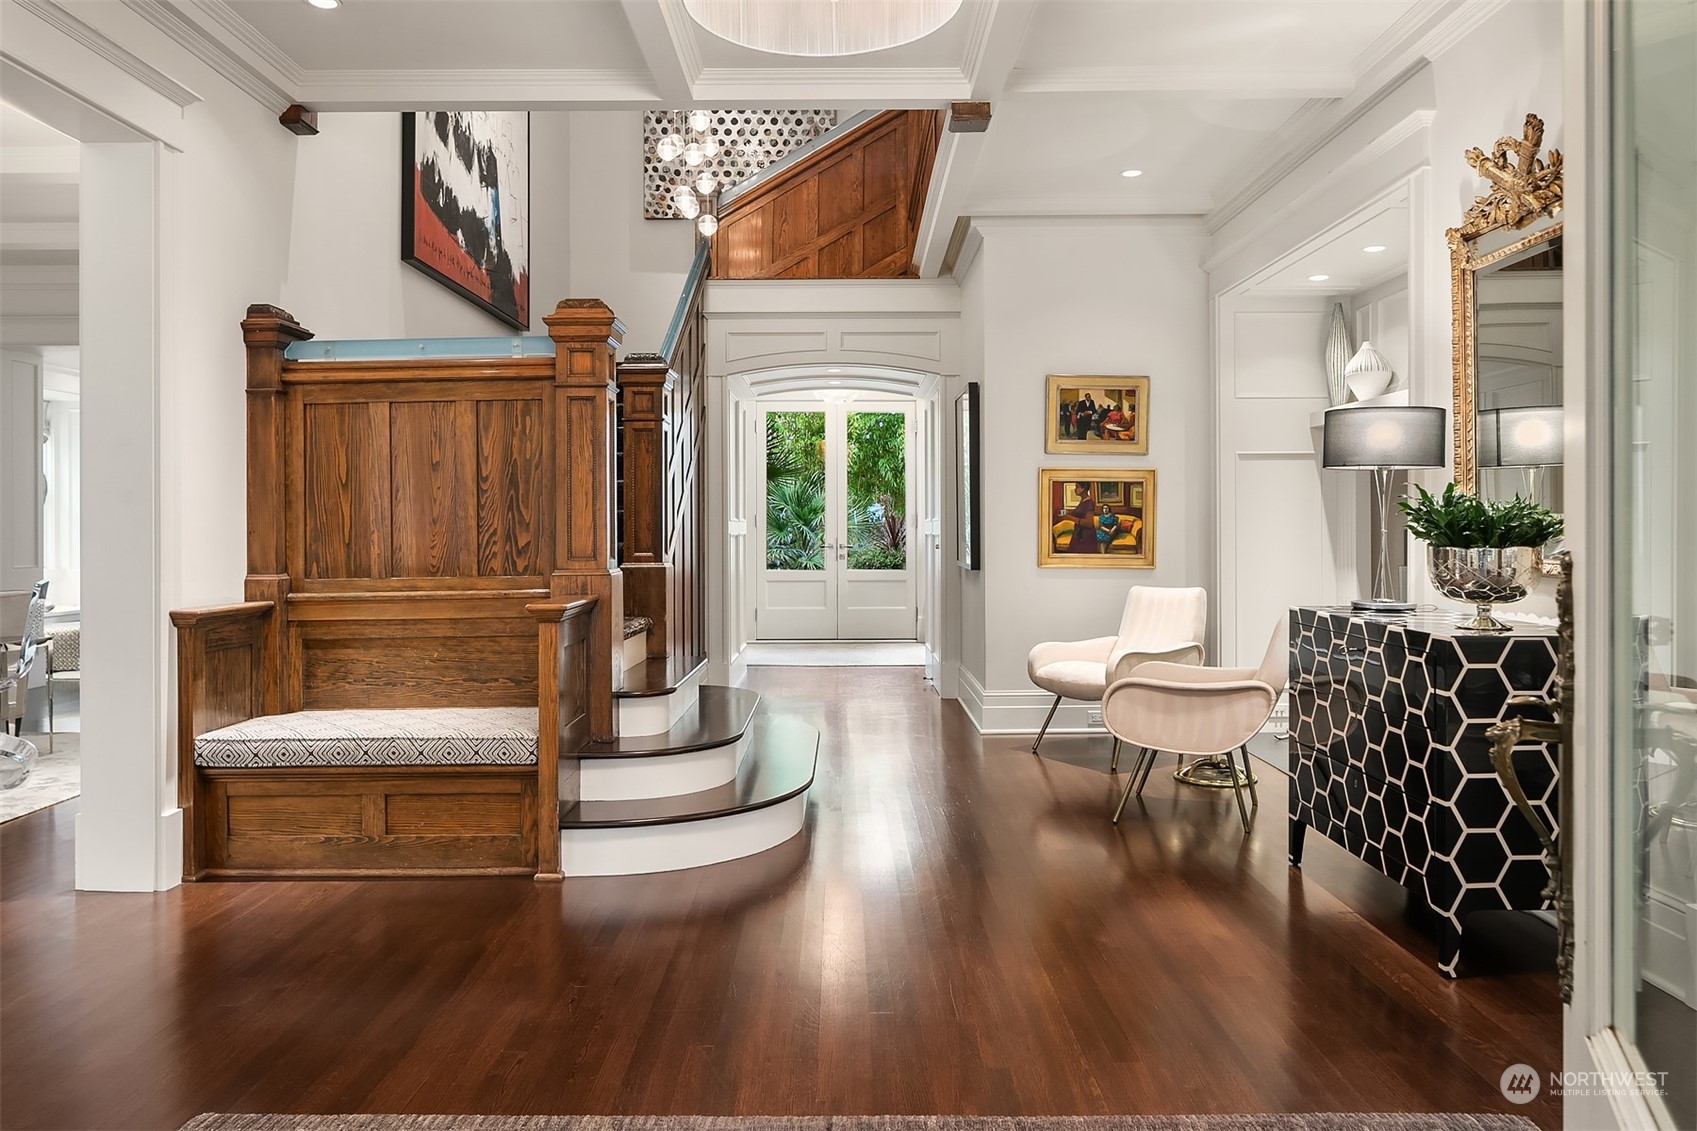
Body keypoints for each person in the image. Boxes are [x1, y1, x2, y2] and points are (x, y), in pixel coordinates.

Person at [1064, 483, 1097, 553]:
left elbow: (1089, 523)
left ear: (1083, 488)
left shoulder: (1089, 503)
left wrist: (1069, 518)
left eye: (1077, 487)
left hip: (1085, 535)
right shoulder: (1083, 501)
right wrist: (1069, 512)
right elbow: (1080, 512)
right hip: (1079, 533)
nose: (1075, 489)